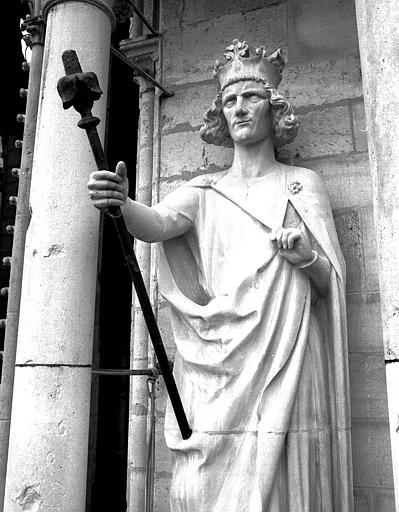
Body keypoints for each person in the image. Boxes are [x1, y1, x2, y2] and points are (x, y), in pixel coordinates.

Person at [88, 40, 353, 512]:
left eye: (251, 97)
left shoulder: (302, 185)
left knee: (286, 481)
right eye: (229, 101)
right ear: (220, 115)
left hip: (287, 354)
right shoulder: (204, 190)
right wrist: (123, 203)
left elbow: (330, 284)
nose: (239, 108)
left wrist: (307, 258)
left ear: (275, 108)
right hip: (218, 364)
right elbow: (158, 224)